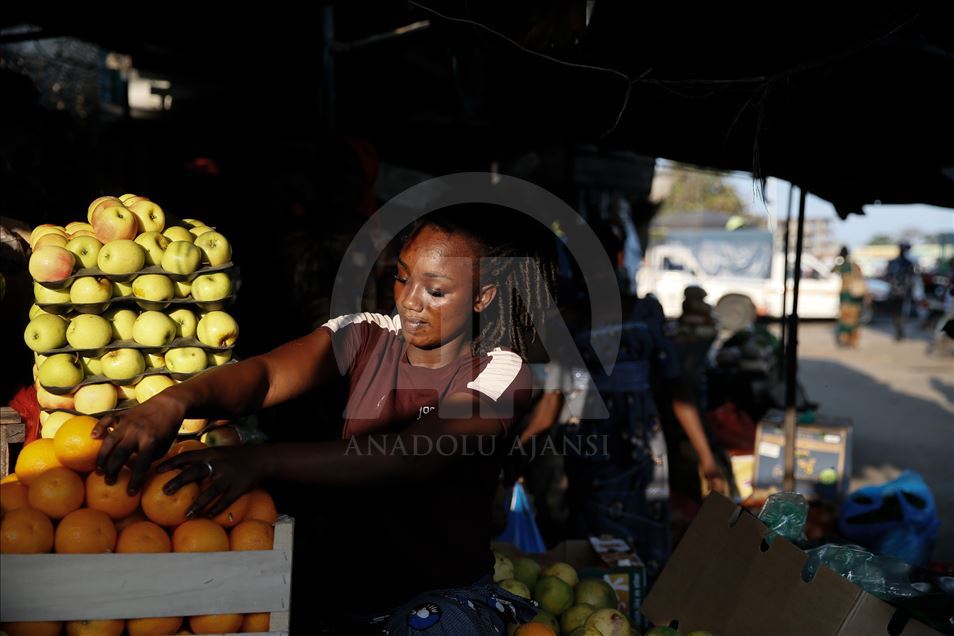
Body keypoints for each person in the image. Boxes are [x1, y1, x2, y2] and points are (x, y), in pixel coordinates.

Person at [92, 204, 551, 634]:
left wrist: (261, 461)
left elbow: (409, 455)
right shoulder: (365, 334)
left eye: (434, 291)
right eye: (402, 277)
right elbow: (267, 376)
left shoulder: (502, 372)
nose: (409, 302)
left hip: (442, 599)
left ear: (482, 297)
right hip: (342, 599)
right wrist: (175, 401)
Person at [562, 221, 726, 578]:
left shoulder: (579, 323)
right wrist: (707, 459)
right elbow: (676, 388)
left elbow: (676, 389)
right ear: (621, 258)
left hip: (610, 446)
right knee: (622, 541)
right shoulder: (630, 316)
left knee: (612, 543)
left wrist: (707, 459)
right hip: (619, 443)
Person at [834, 246, 866, 347]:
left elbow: (831, 271)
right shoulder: (855, 265)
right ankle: (853, 340)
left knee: (844, 318)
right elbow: (861, 277)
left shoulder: (840, 266)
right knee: (854, 318)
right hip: (854, 296)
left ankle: (844, 340)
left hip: (844, 296)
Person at [886, 242, 916, 341]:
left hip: (896, 292)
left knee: (897, 313)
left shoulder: (893, 262)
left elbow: (888, 277)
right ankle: (899, 332)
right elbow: (911, 279)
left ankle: (899, 332)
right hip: (902, 293)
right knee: (900, 312)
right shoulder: (908, 263)